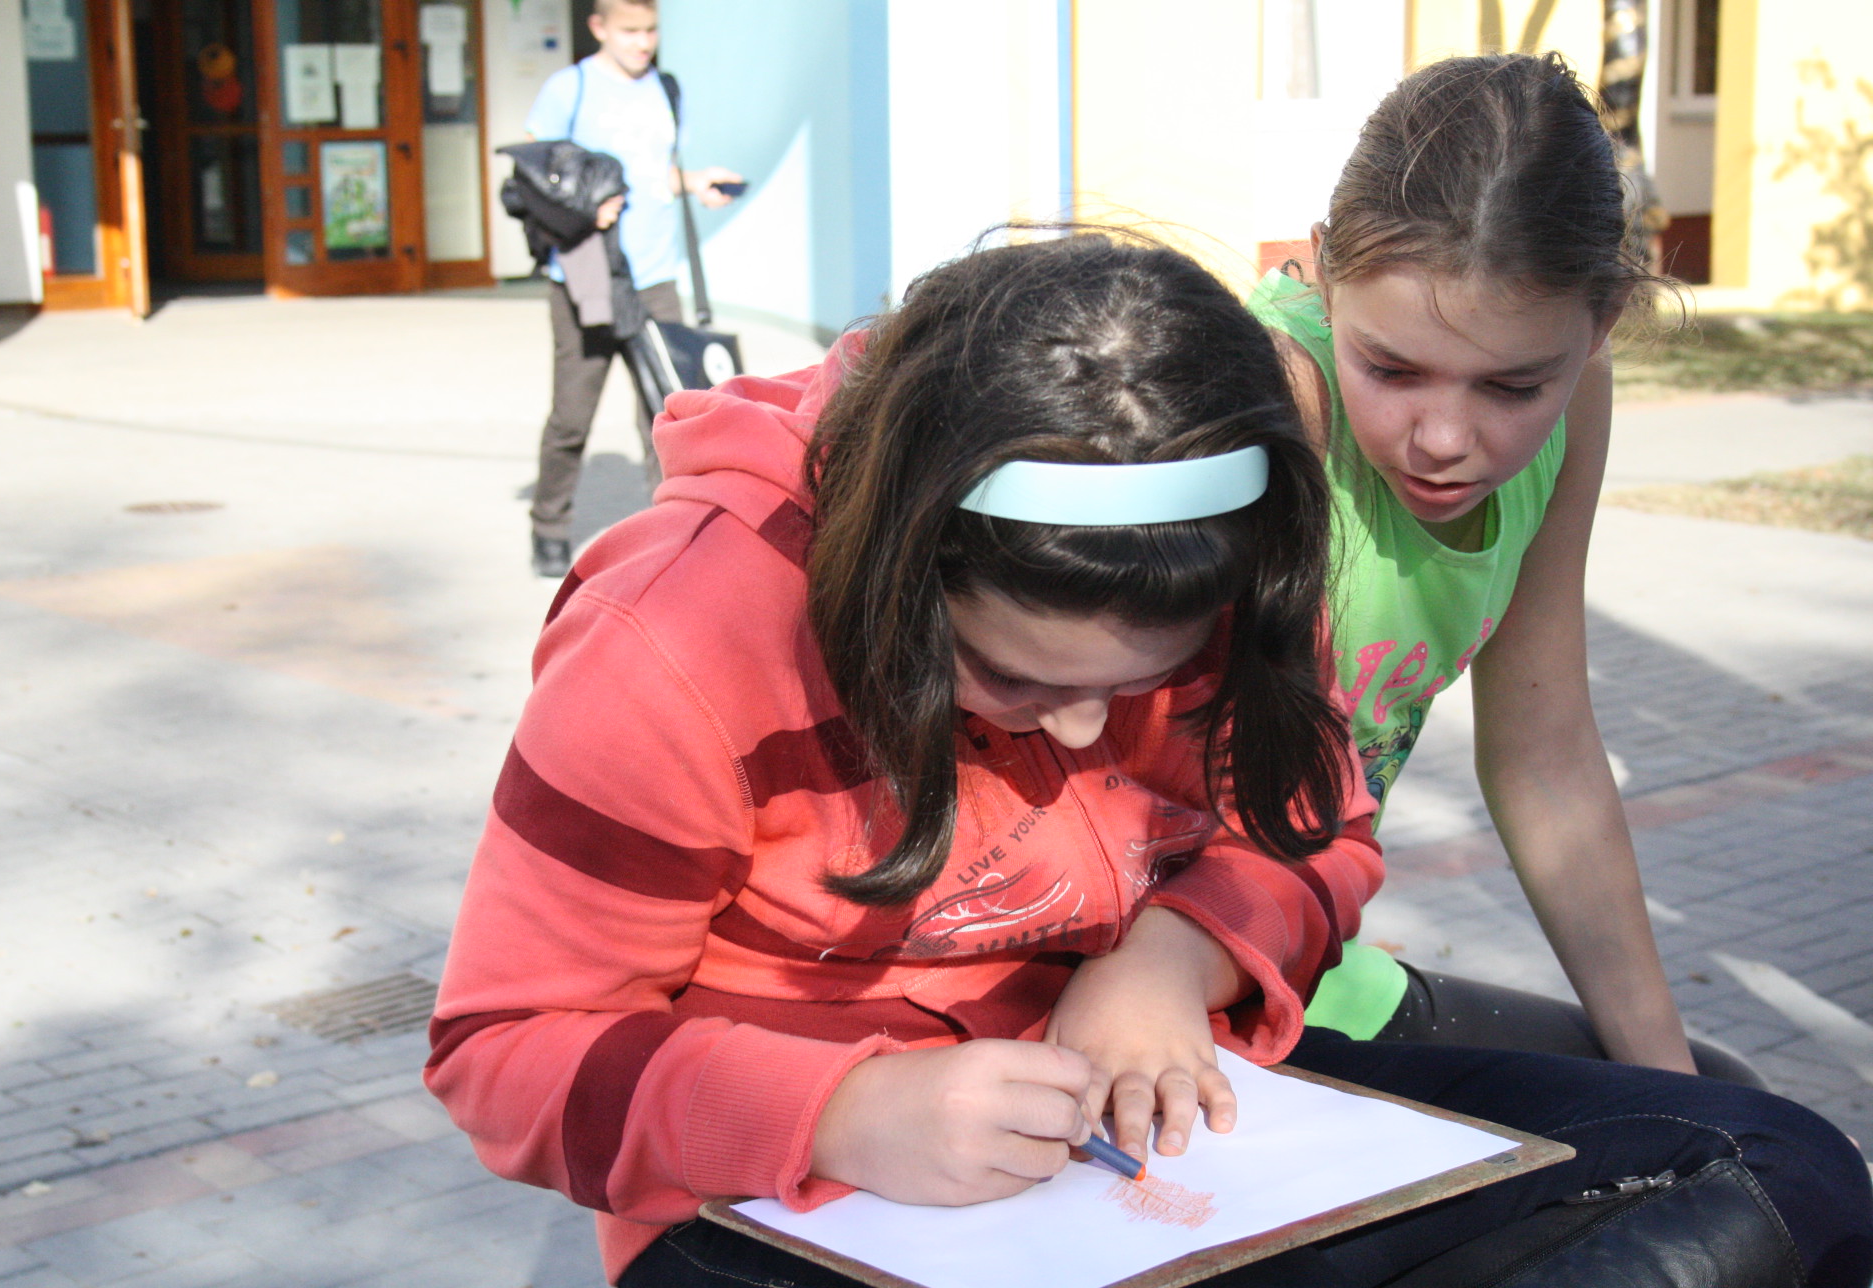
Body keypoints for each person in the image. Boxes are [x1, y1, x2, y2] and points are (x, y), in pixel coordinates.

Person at [426, 232, 1869, 1286]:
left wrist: (1174, 957)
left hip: (1159, 1150)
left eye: (1136, 686)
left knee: (1772, 1165)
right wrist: (839, 1111)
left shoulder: (1218, 546)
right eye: (1010, 678)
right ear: (899, 565)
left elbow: (1317, 825)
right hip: (785, 1209)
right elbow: (503, 1052)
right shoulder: (679, 640)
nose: (1075, 735)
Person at [1246, 52, 1762, 1084]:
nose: (1444, 439)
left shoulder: (1580, 399)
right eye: (1390, 368)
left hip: (1320, 982)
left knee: (1730, 1116)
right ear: (1325, 272)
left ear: (1600, 324)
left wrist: (1679, 1093)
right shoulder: (1267, 402)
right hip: (1161, 1010)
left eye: (1512, 387)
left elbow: (1545, 756)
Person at [522, 0, 741, 578]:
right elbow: (530, 176)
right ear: (598, 27)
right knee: (572, 415)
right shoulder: (569, 89)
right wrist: (583, 208)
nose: (643, 43)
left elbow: (654, 172)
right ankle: (549, 528)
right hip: (586, 275)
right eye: (630, 32)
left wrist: (695, 183)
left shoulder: (665, 89)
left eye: (651, 31)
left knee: (666, 413)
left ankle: (673, 533)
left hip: (655, 276)